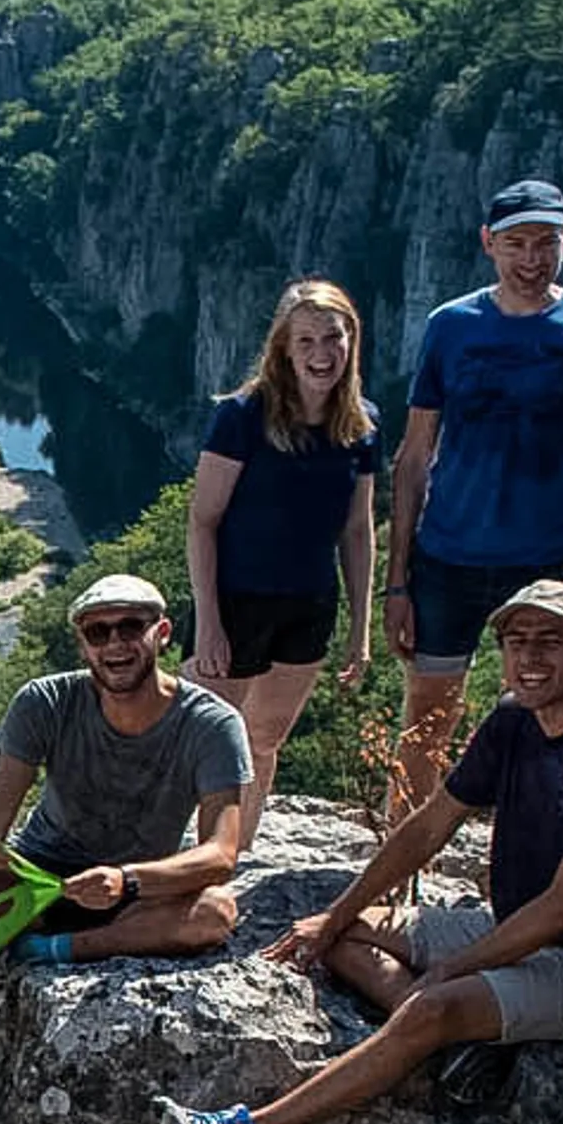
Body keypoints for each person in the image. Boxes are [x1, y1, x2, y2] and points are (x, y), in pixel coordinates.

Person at [159, 580, 563, 1124]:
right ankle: (467, 1041)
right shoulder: (516, 720)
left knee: (430, 1009)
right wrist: (335, 917)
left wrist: (448, 975)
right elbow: (430, 825)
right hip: (518, 928)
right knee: (345, 936)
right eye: (517, 643)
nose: (530, 659)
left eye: (550, 642)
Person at [0, 572, 253, 1124]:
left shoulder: (211, 723)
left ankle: (53, 951)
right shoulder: (45, 703)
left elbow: (221, 854)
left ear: (162, 632)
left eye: (131, 627)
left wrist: (130, 881)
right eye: (99, 632)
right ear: (82, 645)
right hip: (46, 874)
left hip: (133, 881)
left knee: (216, 913)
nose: (115, 644)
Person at [386, 179, 563, 786]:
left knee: (547, 717)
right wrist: (398, 582)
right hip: (448, 557)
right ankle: (403, 867)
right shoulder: (451, 327)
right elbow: (415, 456)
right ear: (488, 244)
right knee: (428, 717)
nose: (531, 259)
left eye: (545, 243)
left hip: (551, 561)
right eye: (516, 243)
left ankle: (534, 860)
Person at [183, 280, 378, 810]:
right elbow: (203, 522)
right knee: (202, 745)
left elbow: (357, 533)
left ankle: (233, 861)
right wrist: (208, 621)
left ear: (350, 342)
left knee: (264, 742)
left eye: (332, 338)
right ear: (283, 350)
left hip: (308, 606)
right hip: (236, 600)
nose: (321, 354)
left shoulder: (361, 427)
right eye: (306, 341)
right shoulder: (243, 416)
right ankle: (181, 865)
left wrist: (360, 629)